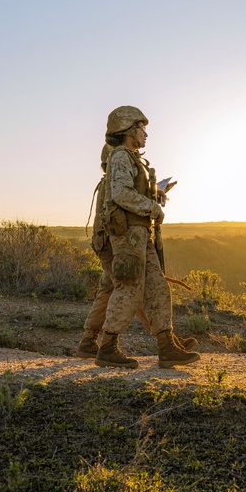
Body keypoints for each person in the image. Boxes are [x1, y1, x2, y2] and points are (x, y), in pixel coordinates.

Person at [94, 106, 200, 369]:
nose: (145, 134)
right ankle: (107, 347)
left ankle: (167, 347)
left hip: (140, 233)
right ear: (129, 130)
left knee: (157, 287)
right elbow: (121, 194)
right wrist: (152, 207)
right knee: (129, 287)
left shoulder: (131, 158)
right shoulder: (121, 156)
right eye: (142, 128)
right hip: (128, 235)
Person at [76, 144, 197, 358]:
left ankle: (88, 341)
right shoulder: (112, 183)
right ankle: (163, 340)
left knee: (109, 289)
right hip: (114, 242)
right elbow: (123, 205)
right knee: (134, 287)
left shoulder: (107, 182)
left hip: (108, 242)